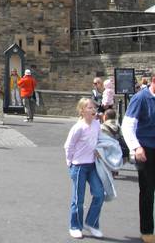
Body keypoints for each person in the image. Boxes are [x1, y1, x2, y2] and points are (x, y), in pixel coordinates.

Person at [64, 98, 105, 239]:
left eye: (94, 107)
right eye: (89, 108)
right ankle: (75, 226)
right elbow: (68, 146)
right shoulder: (78, 127)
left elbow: (99, 140)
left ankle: (91, 223)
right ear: (82, 111)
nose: (93, 110)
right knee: (78, 199)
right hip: (79, 166)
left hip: (93, 165)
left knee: (100, 194)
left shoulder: (97, 124)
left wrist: (100, 150)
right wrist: (70, 163)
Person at [122, 76, 155, 242]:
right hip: (146, 150)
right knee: (148, 191)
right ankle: (147, 230)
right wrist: (136, 147)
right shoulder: (141, 98)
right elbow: (127, 125)